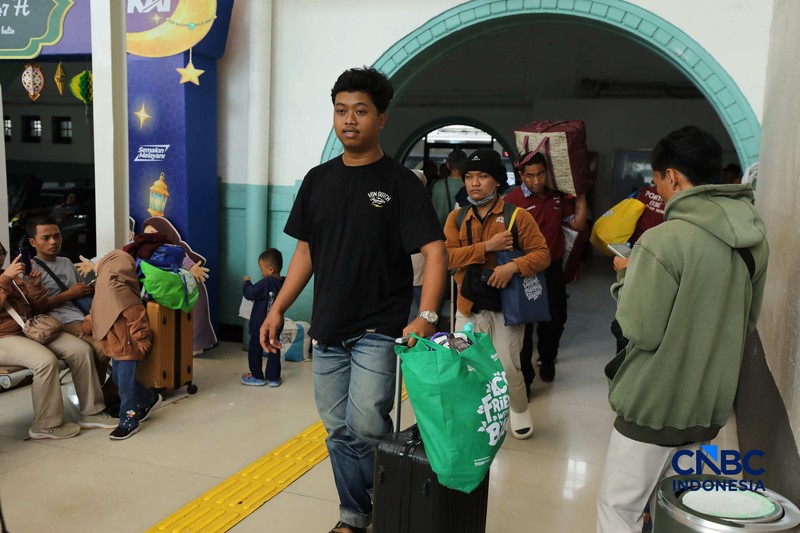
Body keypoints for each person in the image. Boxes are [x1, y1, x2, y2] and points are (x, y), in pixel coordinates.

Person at [260, 67, 447, 533]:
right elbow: (305, 251)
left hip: (379, 327)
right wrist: (278, 306)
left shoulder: (402, 183)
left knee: (365, 423)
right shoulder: (318, 179)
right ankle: (355, 513)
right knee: (337, 429)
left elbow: (435, 250)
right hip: (328, 328)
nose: (349, 120)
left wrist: (425, 315)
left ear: (381, 118)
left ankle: (385, 506)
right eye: (341, 111)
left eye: (360, 111)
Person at [596, 126, 769, 533]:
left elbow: (641, 329)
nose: (659, 189)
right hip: (708, 406)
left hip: (653, 406)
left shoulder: (663, 240)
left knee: (618, 508)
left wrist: (627, 275)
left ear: (672, 177)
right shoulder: (753, 239)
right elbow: (746, 320)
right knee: (678, 509)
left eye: (657, 180)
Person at [444, 148, 550, 440]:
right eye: (469, 177)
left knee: (506, 364)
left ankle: (518, 409)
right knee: (461, 360)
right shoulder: (456, 218)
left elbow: (543, 255)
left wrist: (513, 267)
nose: (474, 183)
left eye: (482, 176)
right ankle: (470, 413)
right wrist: (487, 247)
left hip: (507, 308)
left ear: (497, 181)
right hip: (467, 305)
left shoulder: (517, 217)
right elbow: (448, 258)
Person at [0, 243, 117, 439]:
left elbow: (36, 308)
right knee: (45, 362)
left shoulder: (10, 277)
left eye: (0, 254)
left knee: (81, 350)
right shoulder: (7, 277)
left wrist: (34, 287)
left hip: (29, 330)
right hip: (5, 337)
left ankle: (92, 412)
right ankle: (46, 425)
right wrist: (5, 279)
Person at [505, 152, 587, 385]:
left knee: (555, 319)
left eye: (540, 174)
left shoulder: (556, 198)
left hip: (551, 269)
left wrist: (580, 193)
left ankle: (548, 358)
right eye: (530, 176)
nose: (536, 180)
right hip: (524, 269)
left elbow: (578, 224)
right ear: (521, 175)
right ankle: (526, 379)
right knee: (524, 324)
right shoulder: (511, 201)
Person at [84, 250, 162, 440]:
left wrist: (142, 338)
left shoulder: (121, 291)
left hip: (129, 345)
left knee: (125, 389)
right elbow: (98, 312)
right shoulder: (105, 287)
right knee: (119, 380)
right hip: (116, 345)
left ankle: (129, 421)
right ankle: (149, 399)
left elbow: (137, 317)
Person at [27, 215, 109, 382]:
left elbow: (81, 294)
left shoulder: (66, 262)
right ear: (33, 242)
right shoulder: (30, 270)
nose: (53, 241)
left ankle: (106, 389)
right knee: (103, 347)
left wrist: (91, 287)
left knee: (123, 337)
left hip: (81, 315)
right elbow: (35, 309)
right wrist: (70, 294)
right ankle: (100, 390)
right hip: (57, 322)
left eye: (57, 236)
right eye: (46, 238)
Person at [141, 216, 216, 354]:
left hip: (181, 289)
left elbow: (184, 260)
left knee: (190, 319)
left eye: (154, 233)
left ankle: (193, 345)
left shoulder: (173, 249)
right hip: (162, 290)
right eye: (147, 234)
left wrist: (193, 268)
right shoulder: (145, 251)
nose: (150, 238)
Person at [241, 248, 284, 387]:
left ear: (270, 269)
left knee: (255, 349)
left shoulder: (265, 283)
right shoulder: (284, 283)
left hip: (258, 325)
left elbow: (250, 294)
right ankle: (274, 378)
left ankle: (257, 377)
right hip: (276, 325)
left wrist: (247, 283)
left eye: (261, 268)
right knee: (273, 348)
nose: (261, 271)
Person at [430, 149, 468, 227]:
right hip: (459, 231)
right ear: (466, 165)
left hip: (439, 231)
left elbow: (432, 211)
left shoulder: (437, 185)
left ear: (447, 165)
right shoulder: (469, 186)